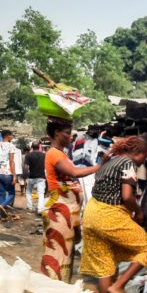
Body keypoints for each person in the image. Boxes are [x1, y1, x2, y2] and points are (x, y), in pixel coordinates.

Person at [80, 136, 147, 293]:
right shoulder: (127, 163)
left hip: (91, 214)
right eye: (143, 158)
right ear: (138, 153)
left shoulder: (108, 162)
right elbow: (126, 196)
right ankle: (119, 286)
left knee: (105, 268)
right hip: (109, 215)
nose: (142, 163)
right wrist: (138, 212)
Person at [41, 120, 102, 282]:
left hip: (67, 212)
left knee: (65, 252)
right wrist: (99, 166)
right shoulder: (54, 153)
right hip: (59, 212)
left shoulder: (62, 153)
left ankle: (60, 286)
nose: (70, 136)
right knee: (58, 253)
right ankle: (55, 289)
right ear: (56, 133)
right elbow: (74, 172)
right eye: (67, 133)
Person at [0, 130, 17, 207]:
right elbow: (11, 161)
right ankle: (2, 206)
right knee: (12, 194)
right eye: (11, 135)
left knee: (2, 193)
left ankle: (2, 209)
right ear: (8, 136)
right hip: (8, 173)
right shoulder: (11, 146)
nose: (12, 137)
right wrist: (14, 175)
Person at [24, 141, 47, 214]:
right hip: (41, 177)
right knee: (41, 193)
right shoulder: (44, 155)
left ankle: (30, 207)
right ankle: (40, 209)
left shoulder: (28, 155)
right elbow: (46, 166)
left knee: (28, 191)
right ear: (39, 147)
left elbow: (26, 167)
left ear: (32, 147)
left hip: (31, 176)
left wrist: (25, 177)